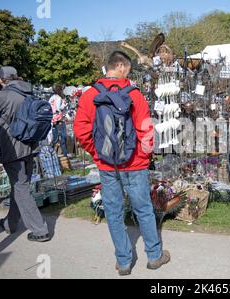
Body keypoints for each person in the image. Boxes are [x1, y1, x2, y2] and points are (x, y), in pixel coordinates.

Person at [74, 51, 170, 276]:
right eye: (127, 69)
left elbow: (81, 130)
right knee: (143, 209)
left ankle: (124, 261)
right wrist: (144, 158)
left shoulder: (89, 95)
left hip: (107, 166)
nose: (128, 72)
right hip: (135, 163)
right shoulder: (135, 95)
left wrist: (98, 153)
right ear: (120, 67)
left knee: (114, 211)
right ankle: (154, 256)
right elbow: (146, 130)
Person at [0, 66, 50, 242]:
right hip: (30, 144)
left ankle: (40, 230)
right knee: (20, 185)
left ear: (1, 79)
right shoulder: (28, 91)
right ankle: (10, 223)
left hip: (12, 147)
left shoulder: (2, 95)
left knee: (20, 187)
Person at [49, 84, 68, 157]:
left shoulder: (51, 98)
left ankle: (52, 154)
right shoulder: (58, 98)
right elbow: (58, 108)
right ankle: (65, 154)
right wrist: (64, 104)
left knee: (55, 137)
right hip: (59, 119)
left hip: (53, 119)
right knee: (63, 137)